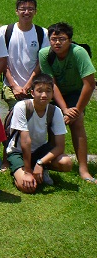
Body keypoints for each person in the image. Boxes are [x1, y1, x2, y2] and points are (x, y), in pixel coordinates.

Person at [39, 22, 96, 183]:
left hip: (75, 92)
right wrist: (64, 109)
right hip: (54, 92)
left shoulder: (79, 53)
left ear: (70, 40)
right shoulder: (44, 54)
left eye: (62, 39)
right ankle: (48, 163)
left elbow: (90, 83)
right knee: (50, 124)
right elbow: (52, 83)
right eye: (53, 39)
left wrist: (76, 110)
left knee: (77, 122)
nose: (57, 43)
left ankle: (84, 170)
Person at [0, 0, 48, 170]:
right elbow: (2, 60)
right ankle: (7, 159)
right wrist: (14, 85)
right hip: (11, 86)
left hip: (33, 87)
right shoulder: (5, 31)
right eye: (23, 9)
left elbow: (40, 63)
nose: (26, 12)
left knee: (31, 123)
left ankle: (29, 157)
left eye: (30, 9)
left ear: (35, 11)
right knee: (13, 122)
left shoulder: (42, 33)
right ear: (16, 11)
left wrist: (27, 86)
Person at [6, 74, 72, 193]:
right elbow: (25, 141)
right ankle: (21, 171)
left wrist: (40, 163)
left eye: (48, 91)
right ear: (32, 93)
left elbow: (60, 146)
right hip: (18, 151)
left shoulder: (55, 111)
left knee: (66, 163)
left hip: (40, 151)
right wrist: (27, 172)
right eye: (39, 91)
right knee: (28, 187)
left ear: (52, 93)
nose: (44, 95)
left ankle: (40, 168)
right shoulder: (22, 106)